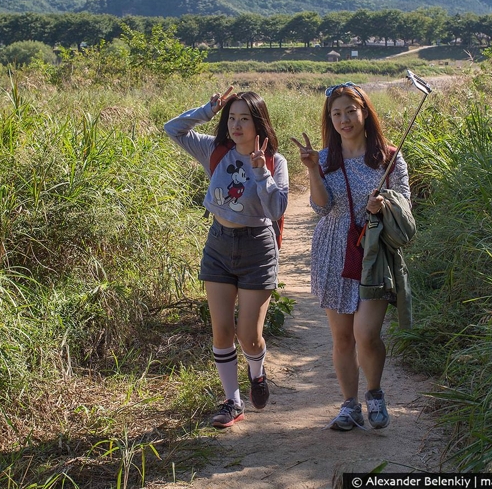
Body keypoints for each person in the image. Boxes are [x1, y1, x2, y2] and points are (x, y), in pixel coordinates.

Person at [165, 87, 289, 428]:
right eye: (231, 118)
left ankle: (257, 373)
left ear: (259, 123)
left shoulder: (276, 162)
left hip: (257, 249)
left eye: (244, 119)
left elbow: (277, 208)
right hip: (218, 244)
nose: (236, 125)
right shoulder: (215, 150)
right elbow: (172, 129)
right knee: (221, 331)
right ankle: (232, 402)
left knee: (249, 334)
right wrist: (208, 108)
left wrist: (261, 171)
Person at [291, 81, 411, 431]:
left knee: (366, 334)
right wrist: (312, 168)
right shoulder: (326, 158)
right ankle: (349, 406)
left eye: (350, 111)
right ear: (330, 119)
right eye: (336, 113)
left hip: (375, 253)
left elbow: (406, 206)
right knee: (342, 337)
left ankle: (374, 393)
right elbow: (320, 207)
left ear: (364, 113)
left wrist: (383, 203)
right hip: (333, 249)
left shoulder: (389, 157)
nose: (344, 119)